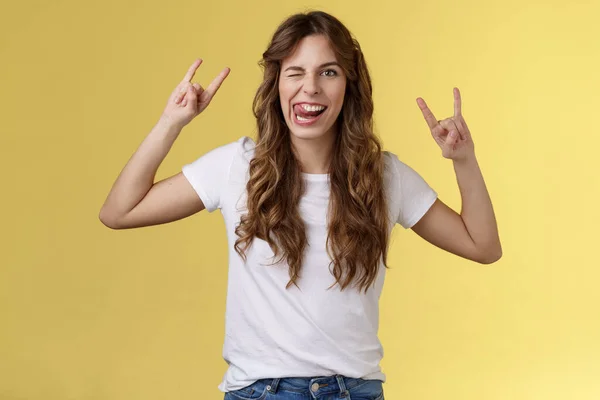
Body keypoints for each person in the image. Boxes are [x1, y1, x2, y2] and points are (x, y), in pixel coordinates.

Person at [99, 10, 502, 400]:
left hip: (356, 391)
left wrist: (464, 159)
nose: (310, 87)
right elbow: (119, 212)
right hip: (261, 392)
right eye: (295, 72)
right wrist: (172, 121)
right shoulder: (237, 167)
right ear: (277, 85)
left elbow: (483, 246)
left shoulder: (383, 177)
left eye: (328, 72)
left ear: (349, 85)